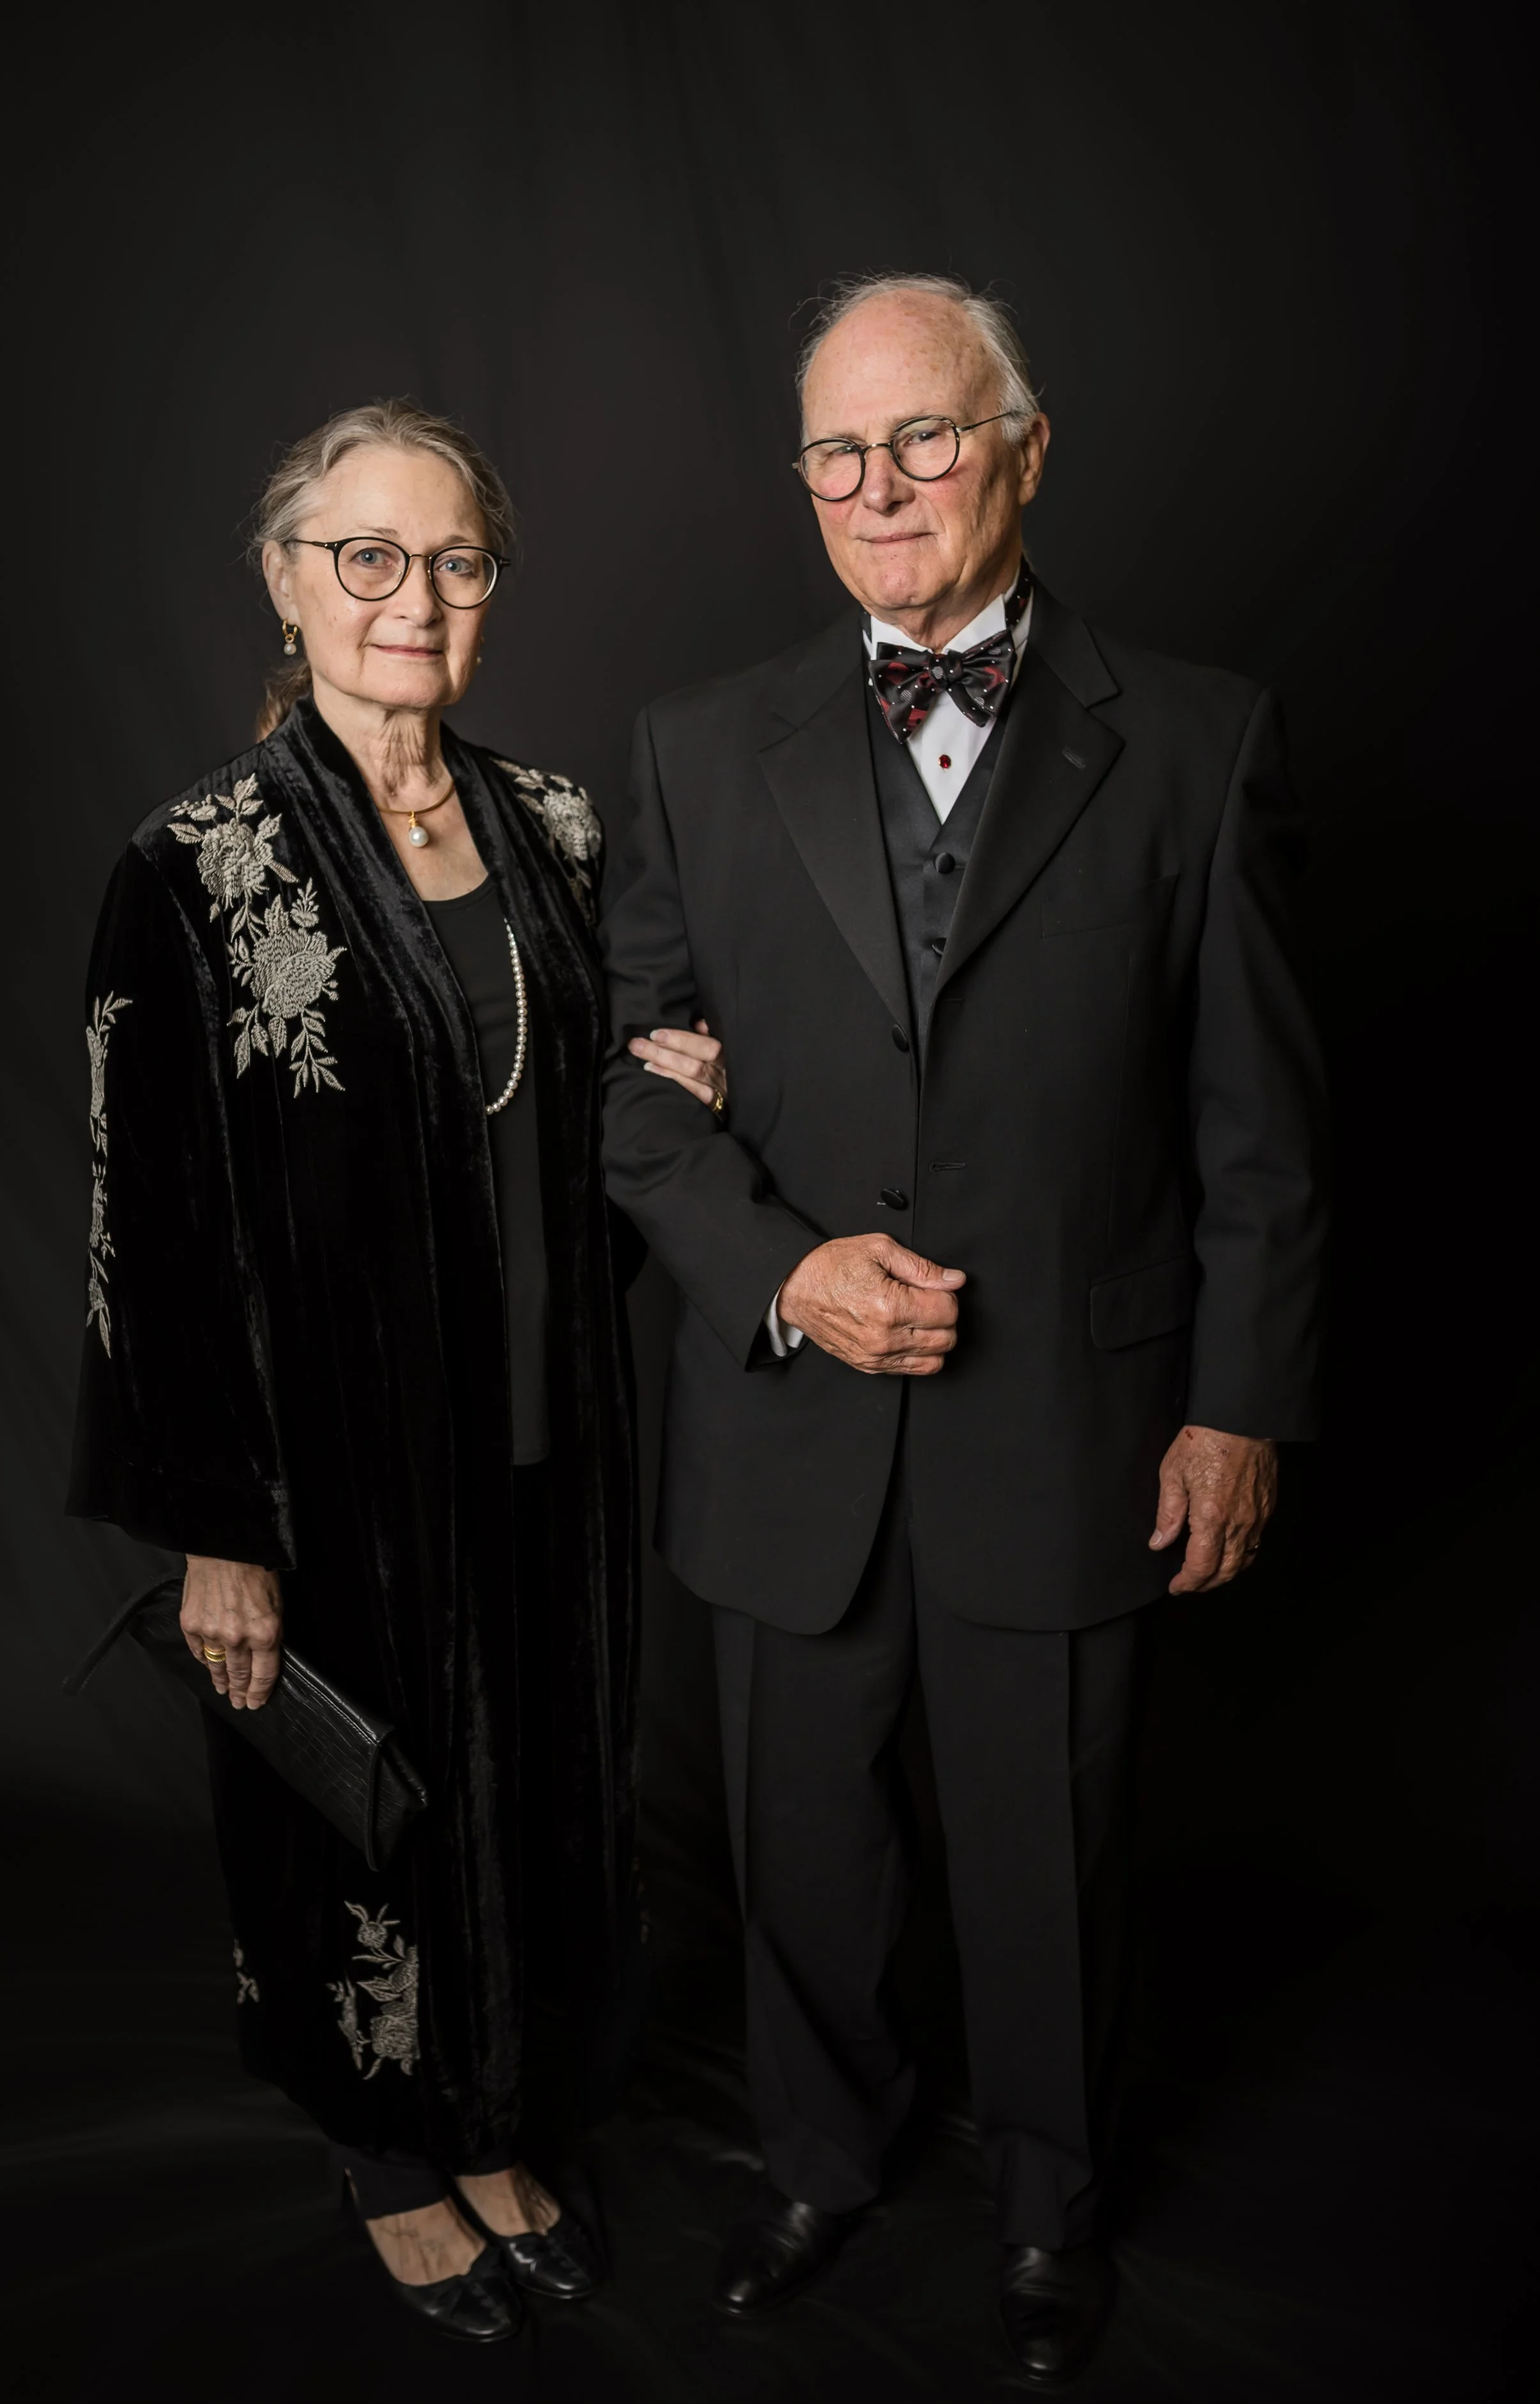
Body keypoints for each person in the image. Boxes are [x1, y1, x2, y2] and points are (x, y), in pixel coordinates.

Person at [599, 274, 1326, 2387]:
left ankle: (1047, 2203)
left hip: (1073, 1421)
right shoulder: (691, 745)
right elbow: (633, 1102)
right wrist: (781, 1267)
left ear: (1022, 448)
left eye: (920, 435)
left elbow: (1262, 1127)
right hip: (787, 1421)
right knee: (799, 1850)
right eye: (835, 449)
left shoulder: (1199, 736)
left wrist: (1239, 1405)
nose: (876, 485)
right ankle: (818, 2158)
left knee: (1047, 1863)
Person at [67, 400, 725, 2343]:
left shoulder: (559, 827)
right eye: (365, 555)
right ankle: (385, 2149)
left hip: (544, 1424)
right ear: (285, 582)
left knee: (539, 1785)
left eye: (452, 559)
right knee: (364, 1812)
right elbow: (148, 1233)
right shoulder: (195, 865)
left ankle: (500, 2116)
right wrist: (216, 1533)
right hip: (322, 1459)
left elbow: (551, 1147)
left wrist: (658, 1098)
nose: (410, 597)